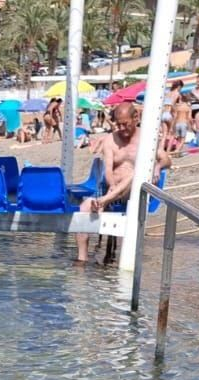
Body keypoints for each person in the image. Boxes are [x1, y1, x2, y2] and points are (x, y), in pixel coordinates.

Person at [75, 101, 140, 266]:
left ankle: (106, 200)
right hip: (110, 189)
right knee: (84, 209)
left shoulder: (146, 139)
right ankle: (81, 259)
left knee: (134, 174)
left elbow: (165, 159)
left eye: (126, 124)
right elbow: (108, 168)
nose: (122, 129)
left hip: (132, 193)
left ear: (135, 118)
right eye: (119, 125)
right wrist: (111, 185)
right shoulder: (111, 140)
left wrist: (157, 168)